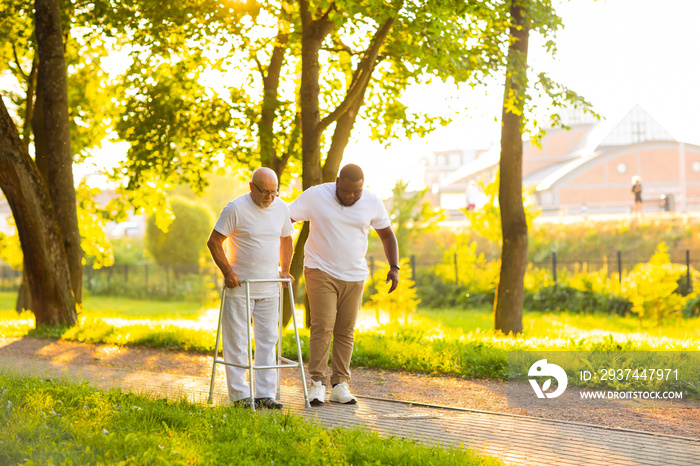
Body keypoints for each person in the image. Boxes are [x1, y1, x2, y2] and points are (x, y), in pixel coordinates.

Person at [289, 164, 399, 405]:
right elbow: (286, 218)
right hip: (320, 269)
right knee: (323, 325)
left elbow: (387, 234)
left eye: (356, 192)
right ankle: (317, 383)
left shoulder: (371, 201)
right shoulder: (315, 195)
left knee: (345, 330)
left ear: (363, 186)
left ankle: (339, 385)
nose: (350, 196)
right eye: (346, 190)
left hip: (354, 275)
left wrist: (394, 266)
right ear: (338, 181)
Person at [206, 167, 293, 409]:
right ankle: (240, 395)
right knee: (237, 340)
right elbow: (214, 241)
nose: (269, 197)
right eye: (264, 192)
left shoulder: (282, 208)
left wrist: (285, 269)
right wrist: (228, 272)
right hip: (240, 286)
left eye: (274, 192)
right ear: (251, 186)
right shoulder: (235, 208)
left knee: (268, 340)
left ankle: (265, 394)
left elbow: (286, 238)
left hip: (269, 286)